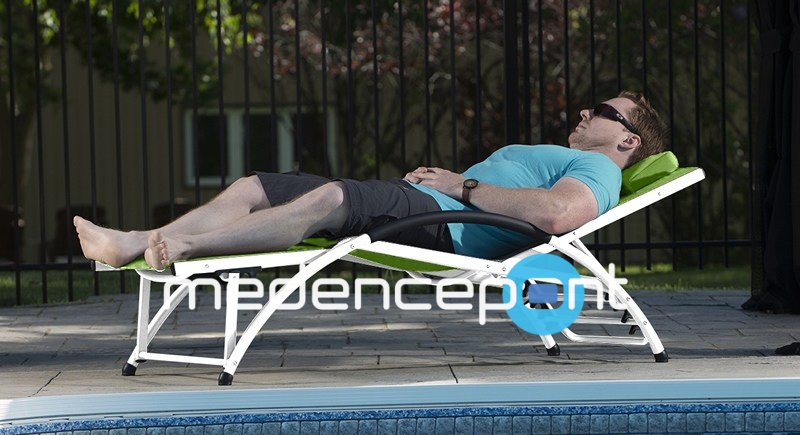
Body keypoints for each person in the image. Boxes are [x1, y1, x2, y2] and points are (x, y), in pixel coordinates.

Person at [74, 90, 667, 271]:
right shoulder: (573, 154)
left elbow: (558, 216)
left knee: (333, 198)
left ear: (628, 141)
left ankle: (181, 246)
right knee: (258, 186)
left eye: (601, 112)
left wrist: (459, 187)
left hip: (446, 225)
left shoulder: (597, 168)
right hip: (429, 206)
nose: (584, 113)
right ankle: (136, 241)